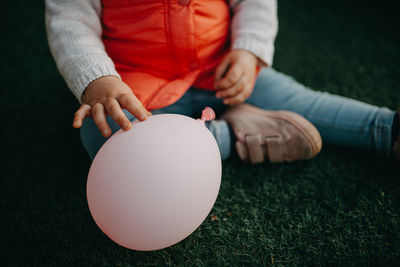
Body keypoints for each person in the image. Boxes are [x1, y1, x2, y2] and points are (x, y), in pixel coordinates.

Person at [45, 0, 399, 164]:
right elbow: (70, 19)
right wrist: (99, 78)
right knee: (103, 135)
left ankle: (386, 128)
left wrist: (248, 51)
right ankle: (234, 134)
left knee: (298, 99)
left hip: (223, 69)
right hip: (136, 83)